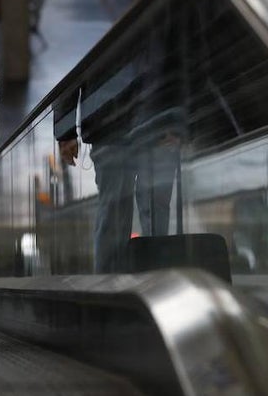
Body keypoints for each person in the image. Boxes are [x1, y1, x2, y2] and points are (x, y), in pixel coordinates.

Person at [57, 18, 183, 274]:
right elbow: (184, 58)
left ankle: (130, 281)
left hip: (133, 123)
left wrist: (180, 123)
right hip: (120, 126)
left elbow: (183, 59)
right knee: (144, 210)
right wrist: (65, 130)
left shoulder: (93, 15)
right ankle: (135, 280)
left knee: (122, 211)